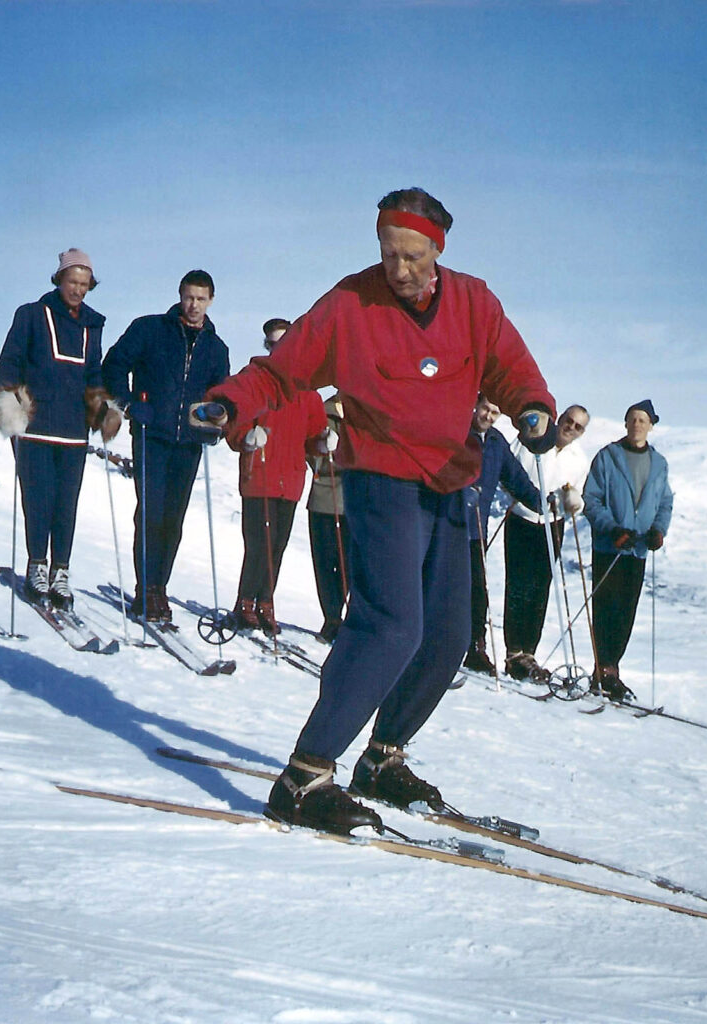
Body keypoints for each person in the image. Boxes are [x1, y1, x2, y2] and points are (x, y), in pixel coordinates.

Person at [206, 187, 557, 835]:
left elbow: (511, 370)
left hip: (449, 485)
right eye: (389, 253)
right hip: (378, 481)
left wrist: (533, 408)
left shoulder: (474, 303)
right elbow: (282, 374)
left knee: (448, 637)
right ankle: (304, 778)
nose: (399, 268)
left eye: (413, 256)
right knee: (391, 626)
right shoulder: (350, 303)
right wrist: (231, 403)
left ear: (438, 249)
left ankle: (382, 758)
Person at [0, 248, 121, 609]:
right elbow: (11, 360)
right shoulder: (32, 315)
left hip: (73, 430)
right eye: (71, 282)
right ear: (59, 280)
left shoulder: (92, 325)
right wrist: (10, 399)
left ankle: (60, 570)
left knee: (67, 503)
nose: (77, 290)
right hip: (35, 427)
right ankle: (37, 564)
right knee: (38, 498)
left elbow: (93, 371)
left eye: (84, 284)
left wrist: (102, 407)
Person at [102, 270, 230, 623]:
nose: (194, 305)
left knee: (173, 519)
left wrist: (214, 420)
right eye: (189, 297)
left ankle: (160, 588)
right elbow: (113, 365)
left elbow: (222, 395)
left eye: (201, 299)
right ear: (179, 295)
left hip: (188, 443)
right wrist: (127, 404)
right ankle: (146, 590)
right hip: (151, 435)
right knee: (151, 513)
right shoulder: (150, 330)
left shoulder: (217, 349)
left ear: (210, 301)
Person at [226, 318, 328, 637]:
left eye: (284, 344)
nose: (278, 350)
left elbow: (313, 434)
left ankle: (266, 602)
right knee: (258, 543)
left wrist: (323, 442)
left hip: (291, 479)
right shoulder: (253, 379)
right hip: (260, 474)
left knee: (278, 545)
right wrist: (246, 436)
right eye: (272, 344)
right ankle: (245, 602)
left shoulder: (306, 388)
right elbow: (234, 423)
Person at [583, 399, 673, 702]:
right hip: (610, 546)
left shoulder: (659, 464)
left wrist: (658, 531)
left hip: (637, 550)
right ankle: (603, 670)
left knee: (626, 612)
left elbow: (665, 502)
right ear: (625, 424)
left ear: (651, 426)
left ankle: (611, 669)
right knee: (605, 609)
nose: (637, 425)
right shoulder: (607, 457)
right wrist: (611, 528)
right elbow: (591, 499)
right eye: (632, 419)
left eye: (643, 420)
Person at [502, 405, 590, 680]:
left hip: (553, 524)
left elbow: (577, 493)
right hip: (523, 518)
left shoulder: (579, 459)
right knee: (518, 585)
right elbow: (508, 472)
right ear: (559, 418)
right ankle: (514, 653)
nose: (571, 428)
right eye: (569, 421)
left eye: (578, 427)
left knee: (540, 587)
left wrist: (572, 500)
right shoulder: (533, 439)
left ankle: (530, 651)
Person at [463, 394, 542, 674]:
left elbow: (515, 477)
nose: (488, 416)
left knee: (476, 591)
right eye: (486, 408)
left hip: (476, 530)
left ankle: (474, 647)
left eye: (495, 413)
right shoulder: (457, 432)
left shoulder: (496, 442)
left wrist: (540, 500)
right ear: (475, 405)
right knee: (439, 588)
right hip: (445, 525)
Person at [306, 393, 349, 643]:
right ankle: (331, 617)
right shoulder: (324, 411)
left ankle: (344, 615)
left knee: (350, 564)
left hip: (356, 498)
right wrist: (321, 448)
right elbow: (309, 448)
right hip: (325, 495)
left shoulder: (368, 410)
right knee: (325, 561)